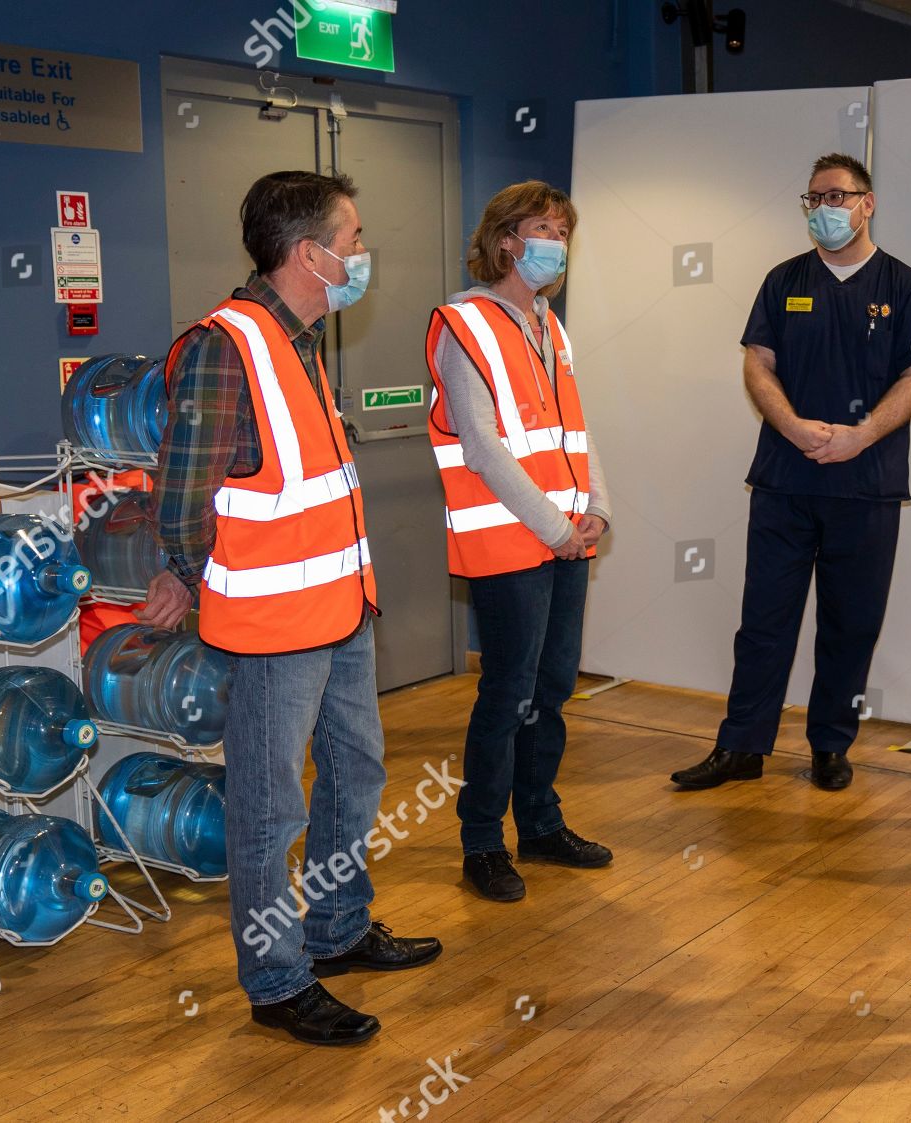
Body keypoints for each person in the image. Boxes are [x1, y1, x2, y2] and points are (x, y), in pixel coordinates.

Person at [142, 171, 440, 1047]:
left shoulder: (302, 341)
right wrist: (201, 580)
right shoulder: (223, 346)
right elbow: (180, 498)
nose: (360, 255)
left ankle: (338, 929)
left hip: (341, 608)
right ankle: (276, 980)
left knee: (357, 771)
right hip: (275, 625)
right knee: (272, 810)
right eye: (352, 240)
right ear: (309, 254)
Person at [670, 152, 911, 794]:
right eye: (813, 200)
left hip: (866, 484)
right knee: (764, 619)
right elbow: (757, 364)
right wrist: (792, 426)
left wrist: (863, 434)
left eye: (837, 197)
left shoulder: (904, 287)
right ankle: (741, 745)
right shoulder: (783, 280)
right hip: (784, 483)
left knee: (851, 624)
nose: (824, 210)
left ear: (867, 203)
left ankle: (830, 747)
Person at [425, 181, 613, 904]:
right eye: (542, 227)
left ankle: (539, 821)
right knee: (506, 693)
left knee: (553, 689)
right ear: (507, 239)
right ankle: (482, 843)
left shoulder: (550, 326)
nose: (555, 242)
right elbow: (483, 446)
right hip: (511, 544)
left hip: (568, 541)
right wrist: (557, 527)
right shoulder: (463, 324)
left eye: (563, 229)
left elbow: (574, 429)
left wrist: (596, 507)